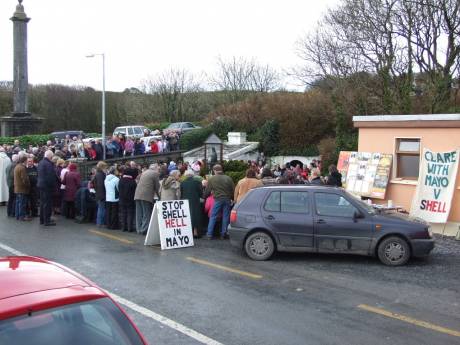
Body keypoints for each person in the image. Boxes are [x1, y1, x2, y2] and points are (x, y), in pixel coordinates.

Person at [204, 164, 235, 240]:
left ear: (214, 170)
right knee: (225, 217)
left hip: (217, 199)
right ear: (221, 170)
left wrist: (204, 197)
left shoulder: (212, 179)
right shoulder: (228, 178)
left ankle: (209, 234)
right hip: (227, 199)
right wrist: (231, 197)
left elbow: (207, 190)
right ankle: (223, 234)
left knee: (213, 216)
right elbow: (232, 189)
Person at [134, 164, 160, 235]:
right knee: (146, 213)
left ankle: (138, 229)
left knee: (139, 213)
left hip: (137, 194)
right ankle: (143, 230)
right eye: (158, 169)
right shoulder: (155, 174)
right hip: (146, 195)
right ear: (155, 169)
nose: (158, 171)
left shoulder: (144, 172)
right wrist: (160, 196)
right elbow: (157, 187)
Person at [180, 170, 203, 238]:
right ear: (192, 175)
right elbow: (200, 193)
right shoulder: (197, 182)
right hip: (195, 201)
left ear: (185, 175)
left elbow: (181, 193)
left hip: (185, 201)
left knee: (187, 216)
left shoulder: (182, 183)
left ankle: (188, 232)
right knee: (195, 216)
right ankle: (195, 232)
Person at [37, 150, 58, 226]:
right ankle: (47, 220)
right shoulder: (48, 164)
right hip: (47, 186)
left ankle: (42, 220)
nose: (52, 158)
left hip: (41, 185)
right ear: (50, 156)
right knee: (47, 204)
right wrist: (53, 186)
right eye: (52, 156)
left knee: (43, 203)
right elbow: (50, 177)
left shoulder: (40, 162)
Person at [118, 167, 137, 232]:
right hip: (130, 200)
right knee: (130, 213)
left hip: (122, 199)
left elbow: (119, 189)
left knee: (123, 213)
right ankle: (129, 228)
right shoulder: (132, 181)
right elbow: (135, 191)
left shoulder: (121, 180)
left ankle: (123, 227)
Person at [14, 155, 31, 221]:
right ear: (25, 160)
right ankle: (22, 216)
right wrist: (28, 185)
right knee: (22, 203)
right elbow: (25, 179)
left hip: (17, 188)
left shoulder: (17, 166)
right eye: (27, 160)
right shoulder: (22, 168)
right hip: (22, 188)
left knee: (18, 202)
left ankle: (17, 215)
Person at [93, 161, 107, 227]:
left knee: (100, 208)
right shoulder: (101, 175)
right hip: (102, 194)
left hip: (98, 193)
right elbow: (101, 185)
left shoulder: (97, 174)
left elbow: (94, 184)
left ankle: (99, 223)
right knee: (102, 209)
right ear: (102, 167)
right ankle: (101, 223)